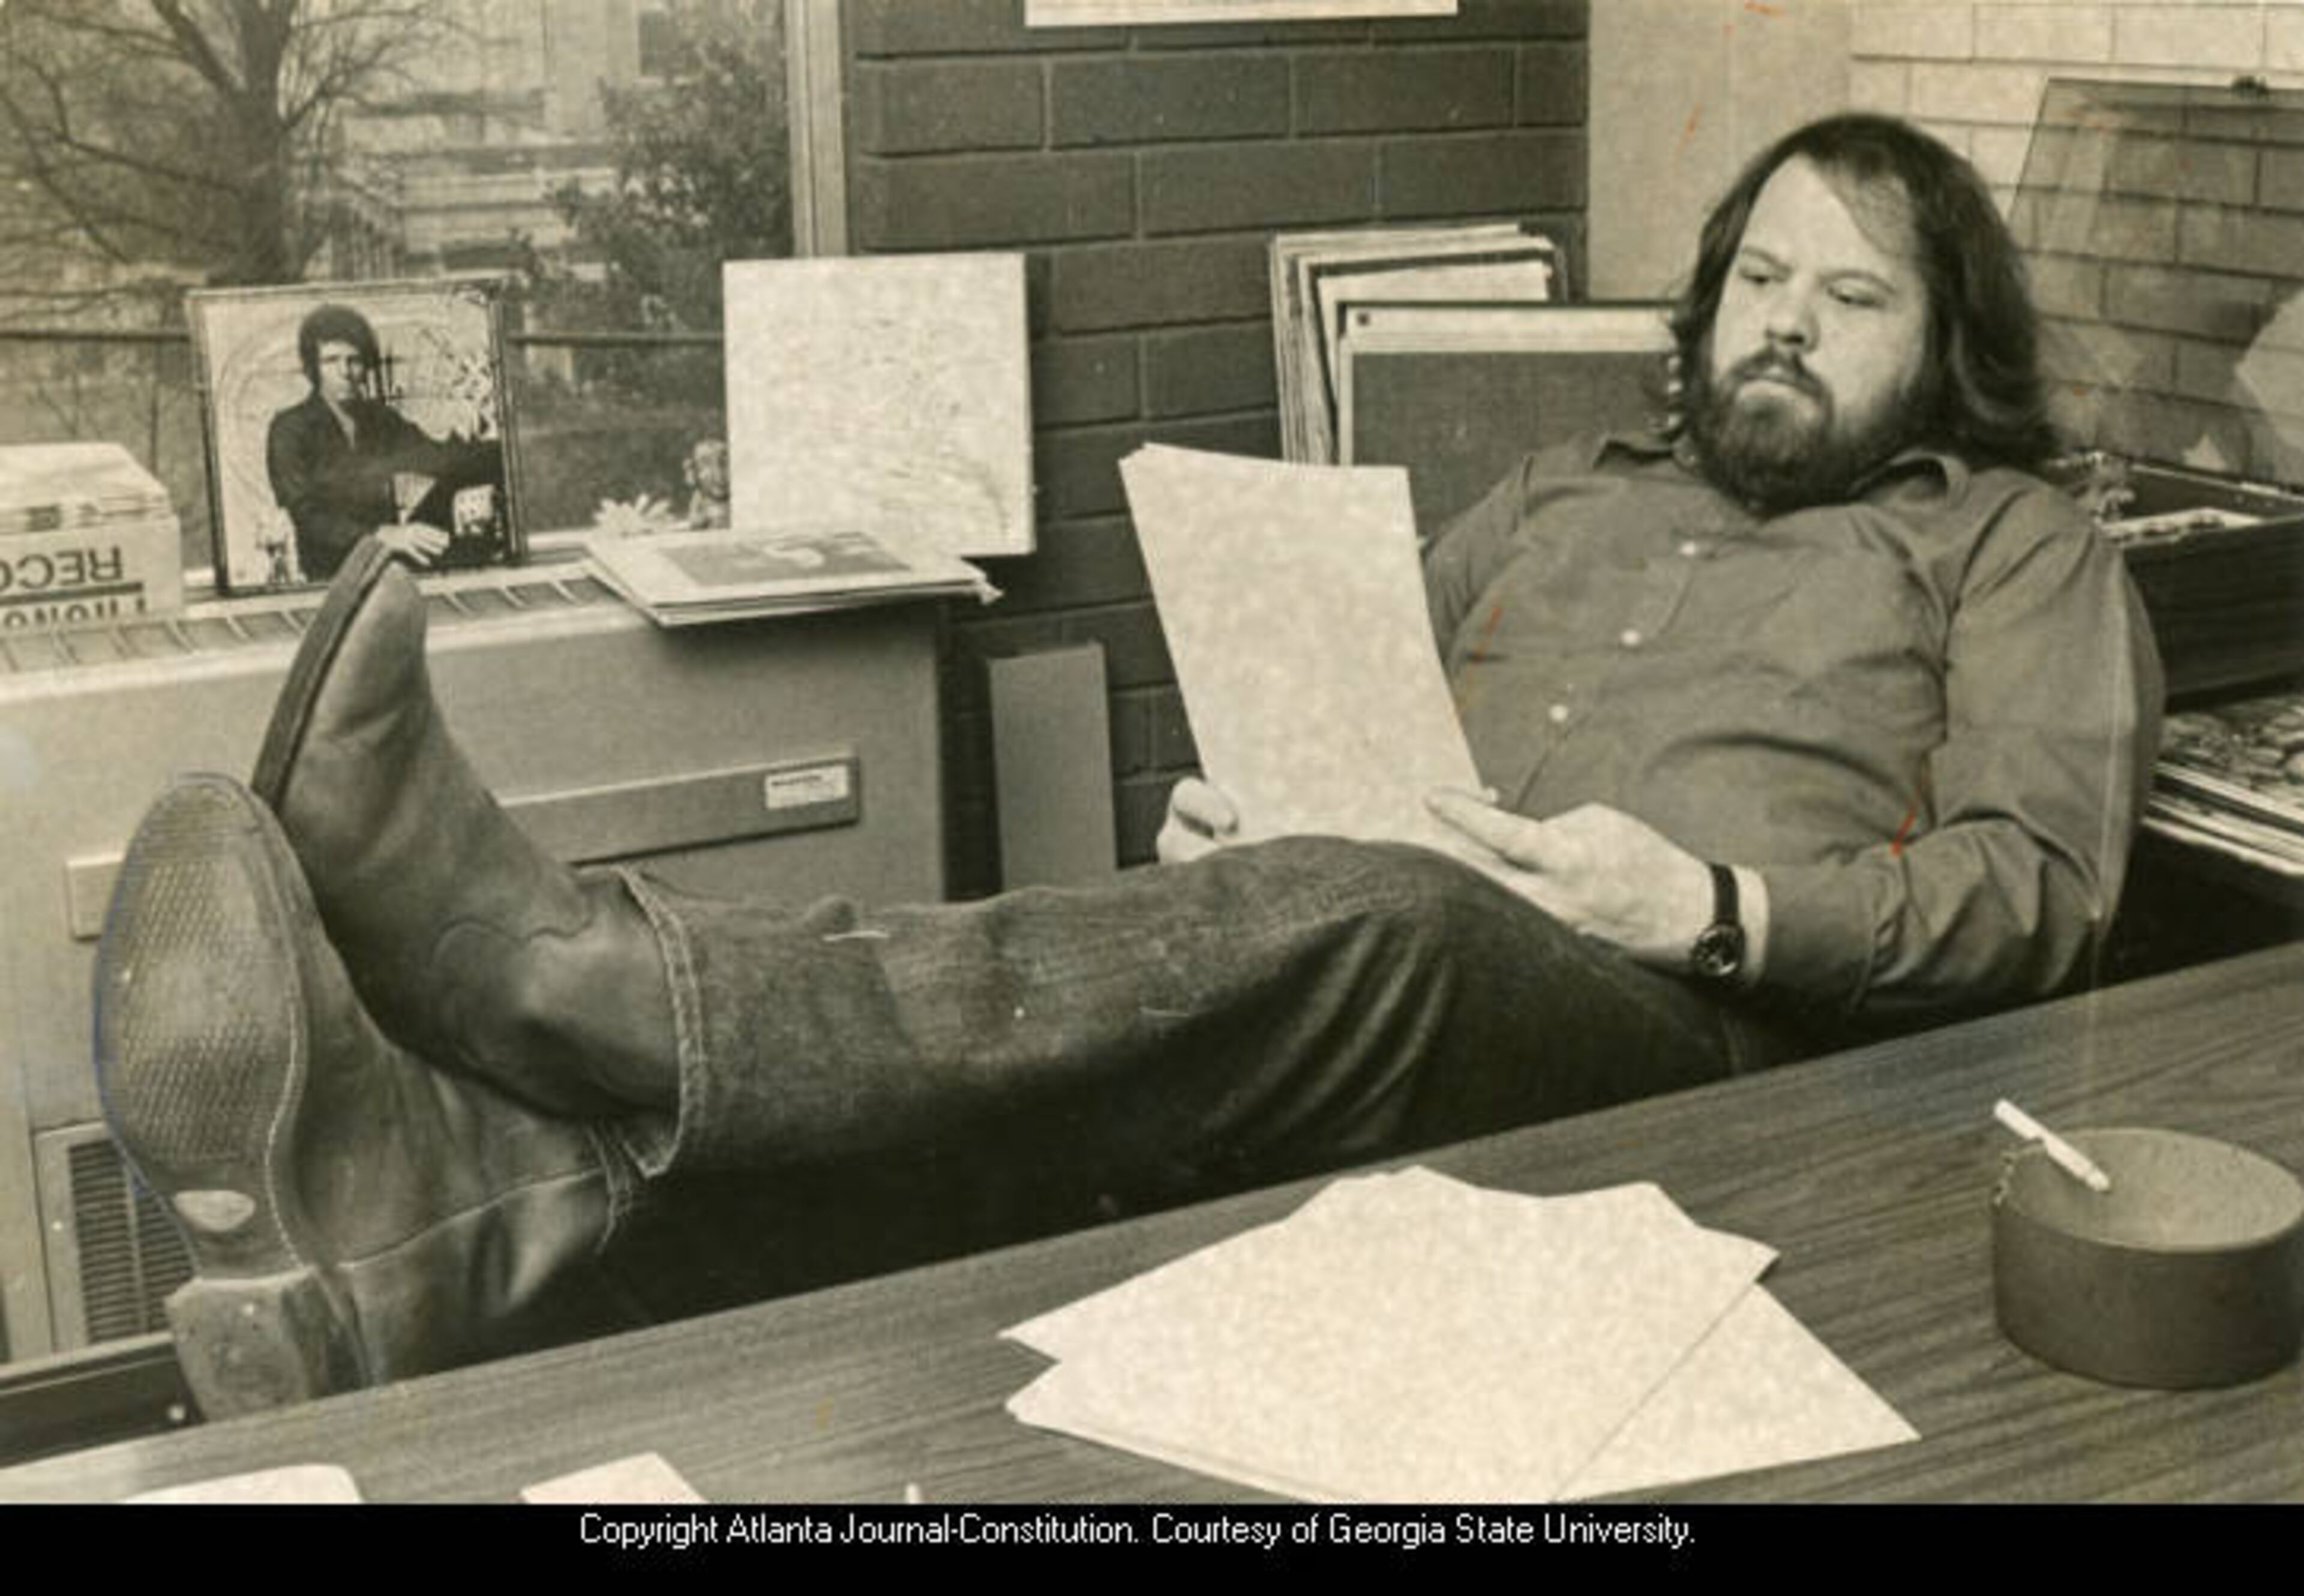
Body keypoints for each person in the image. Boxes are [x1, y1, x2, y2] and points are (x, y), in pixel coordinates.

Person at [97, 114, 2161, 1417]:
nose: (1784, 327)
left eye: (1853, 298)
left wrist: (1703, 903)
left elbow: (2046, 885)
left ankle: (552, 979)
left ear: (1939, 340)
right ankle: (427, 1244)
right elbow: (1352, 728)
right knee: (1097, 1062)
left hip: (1705, 1046)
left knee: (1386, 912)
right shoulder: (1554, 495)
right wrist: (1235, 825)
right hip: (1409, 957)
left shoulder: (2014, 544)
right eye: (1764, 282)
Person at [265, 304, 503, 582]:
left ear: (366, 365)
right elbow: (307, 515)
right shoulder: (289, 428)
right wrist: (383, 535)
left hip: (388, 566)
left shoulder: (379, 418)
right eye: (332, 361)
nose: (346, 372)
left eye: (354, 360)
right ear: (312, 368)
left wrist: (502, 451)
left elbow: (438, 459)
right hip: (333, 575)